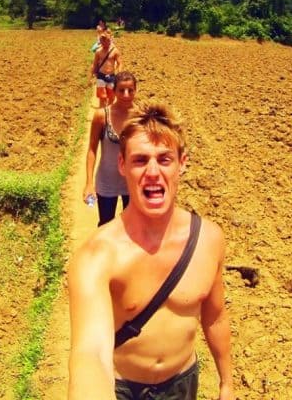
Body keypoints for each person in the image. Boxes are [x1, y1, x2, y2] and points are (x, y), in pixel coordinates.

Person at [68, 102, 235, 400]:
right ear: (122, 165)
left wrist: (226, 383)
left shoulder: (209, 240)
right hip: (122, 389)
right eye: (140, 160)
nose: (153, 172)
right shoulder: (97, 256)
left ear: (182, 163)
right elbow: (90, 353)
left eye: (164, 159)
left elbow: (216, 316)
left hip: (182, 382)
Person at [83, 71, 138, 226]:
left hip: (132, 182)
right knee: (106, 224)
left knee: (133, 225)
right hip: (106, 182)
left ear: (136, 91)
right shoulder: (102, 116)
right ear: (114, 91)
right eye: (121, 90)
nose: (126, 95)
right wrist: (88, 183)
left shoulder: (140, 117)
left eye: (130, 90)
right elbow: (92, 149)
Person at [91, 31, 122, 108]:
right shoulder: (98, 52)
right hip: (101, 76)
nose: (107, 43)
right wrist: (91, 76)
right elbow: (94, 64)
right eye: (104, 41)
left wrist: (119, 73)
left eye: (108, 40)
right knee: (102, 97)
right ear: (101, 42)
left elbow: (120, 63)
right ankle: (102, 113)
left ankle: (108, 111)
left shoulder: (115, 51)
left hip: (111, 76)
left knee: (112, 98)